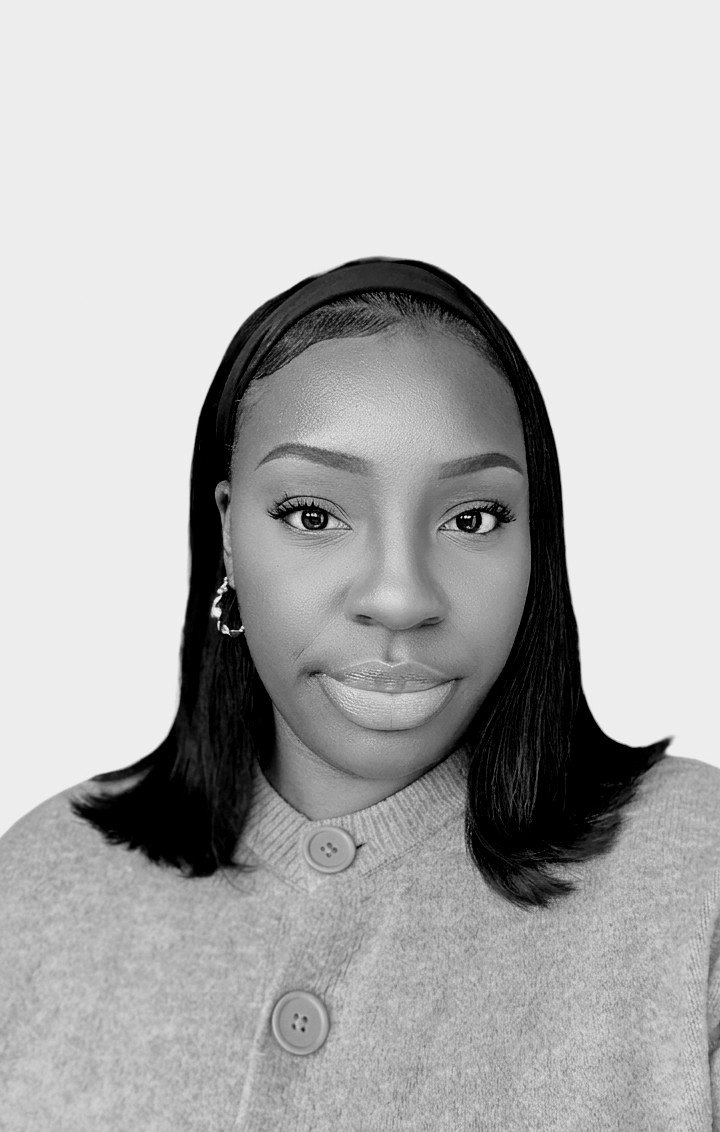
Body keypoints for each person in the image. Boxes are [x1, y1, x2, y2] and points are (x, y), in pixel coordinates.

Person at [0, 255, 717, 1131]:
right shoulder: (35, 887)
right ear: (226, 529)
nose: (403, 597)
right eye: (313, 514)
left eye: (473, 517)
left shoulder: (700, 886)